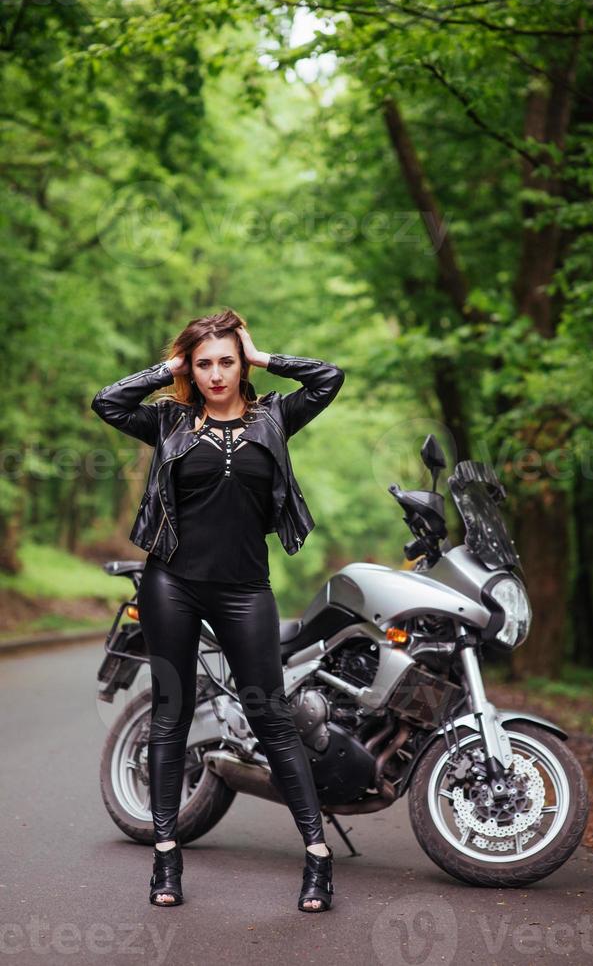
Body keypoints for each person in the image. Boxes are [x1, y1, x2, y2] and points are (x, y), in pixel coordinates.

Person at [90, 309, 345, 911]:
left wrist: (264, 358)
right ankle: (165, 858)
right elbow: (107, 402)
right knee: (172, 716)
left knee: (270, 716)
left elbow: (328, 378)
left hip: (244, 588)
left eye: (225, 361)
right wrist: (167, 370)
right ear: (191, 368)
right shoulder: (171, 421)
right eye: (203, 364)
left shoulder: (276, 417)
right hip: (171, 584)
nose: (215, 374)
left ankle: (317, 857)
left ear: (240, 362)